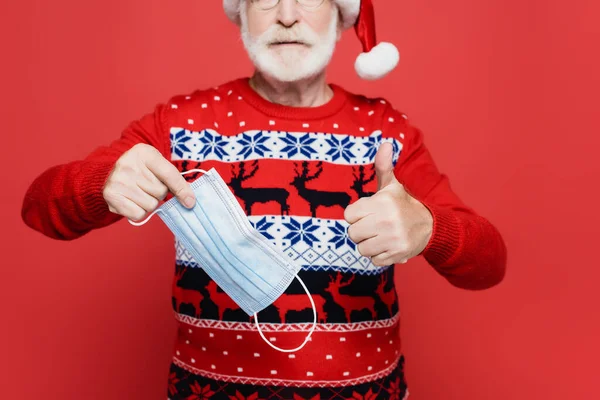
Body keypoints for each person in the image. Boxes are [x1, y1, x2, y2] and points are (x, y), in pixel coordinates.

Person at [21, 0, 507, 398]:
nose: (288, 15)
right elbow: (40, 210)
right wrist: (100, 184)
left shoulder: (389, 133)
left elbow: (489, 264)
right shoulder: (177, 124)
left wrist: (430, 229)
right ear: (242, 15)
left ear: (342, 17)